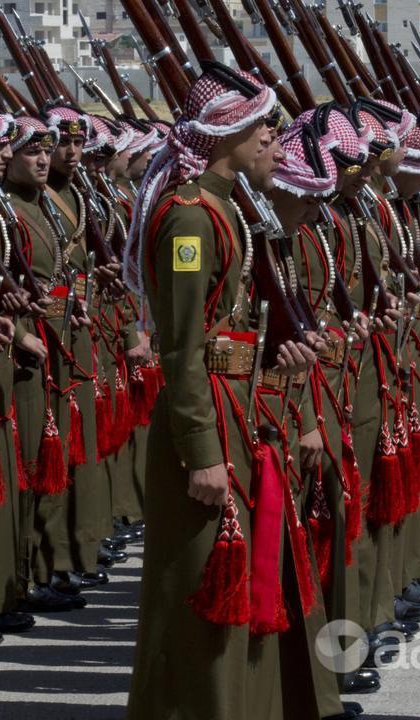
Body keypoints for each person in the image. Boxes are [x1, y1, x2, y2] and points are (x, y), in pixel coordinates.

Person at [123, 61, 319, 719]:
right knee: (200, 597)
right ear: (228, 131)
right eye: (264, 127)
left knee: (233, 599)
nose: (273, 140)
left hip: (236, 414)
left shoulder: (223, 209)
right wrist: (202, 450)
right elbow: (182, 349)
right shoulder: (191, 219)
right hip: (203, 431)